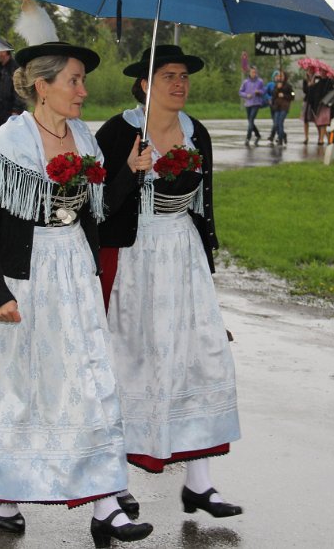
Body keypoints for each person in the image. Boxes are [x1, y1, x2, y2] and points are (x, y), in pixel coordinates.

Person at [0, 42, 153, 546]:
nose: (84, 91)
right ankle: (5, 489)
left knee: (92, 378)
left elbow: (99, 211)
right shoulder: (11, 141)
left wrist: (130, 173)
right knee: (20, 385)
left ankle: (106, 501)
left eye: (83, 81)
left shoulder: (86, 138)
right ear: (42, 86)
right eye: (74, 80)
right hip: (28, 278)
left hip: (74, 270)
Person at [96, 44, 243, 525]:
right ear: (145, 83)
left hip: (182, 252)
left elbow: (204, 204)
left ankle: (198, 482)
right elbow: (97, 206)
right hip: (134, 255)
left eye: (184, 76)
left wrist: (207, 277)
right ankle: (112, 484)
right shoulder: (118, 132)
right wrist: (129, 170)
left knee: (194, 356)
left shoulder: (196, 131)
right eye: (169, 76)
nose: (180, 84)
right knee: (131, 360)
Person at [0, 47, 21, 139]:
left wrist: (16, 110)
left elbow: (20, 91)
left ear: (5, 51)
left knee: (9, 143)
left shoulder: (16, 69)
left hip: (10, 114)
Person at [301, 67, 334, 145]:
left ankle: (321, 139)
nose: (322, 73)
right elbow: (310, 90)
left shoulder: (329, 81)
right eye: (321, 71)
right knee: (319, 121)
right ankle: (325, 138)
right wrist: (311, 84)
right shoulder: (316, 81)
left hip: (325, 103)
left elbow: (332, 91)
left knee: (322, 122)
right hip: (316, 103)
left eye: (324, 71)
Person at [238, 66, 265, 145]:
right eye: (252, 72)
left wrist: (259, 91)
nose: (254, 74)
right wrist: (246, 95)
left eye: (255, 72)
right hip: (248, 103)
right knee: (250, 121)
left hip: (256, 103)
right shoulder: (246, 82)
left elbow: (263, 90)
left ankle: (248, 138)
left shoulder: (260, 81)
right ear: (250, 73)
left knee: (251, 119)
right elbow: (240, 92)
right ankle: (257, 134)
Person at [268, 70, 294, 145]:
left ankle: (280, 139)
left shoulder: (288, 86)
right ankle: (282, 135)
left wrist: (284, 95)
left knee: (280, 122)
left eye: (281, 76)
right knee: (275, 124)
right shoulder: (276, 85)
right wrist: (277, 89)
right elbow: (273, 95)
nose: (280, 77)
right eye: (279, 76)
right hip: (277, 107)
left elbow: (292, 95)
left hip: (284, 107)